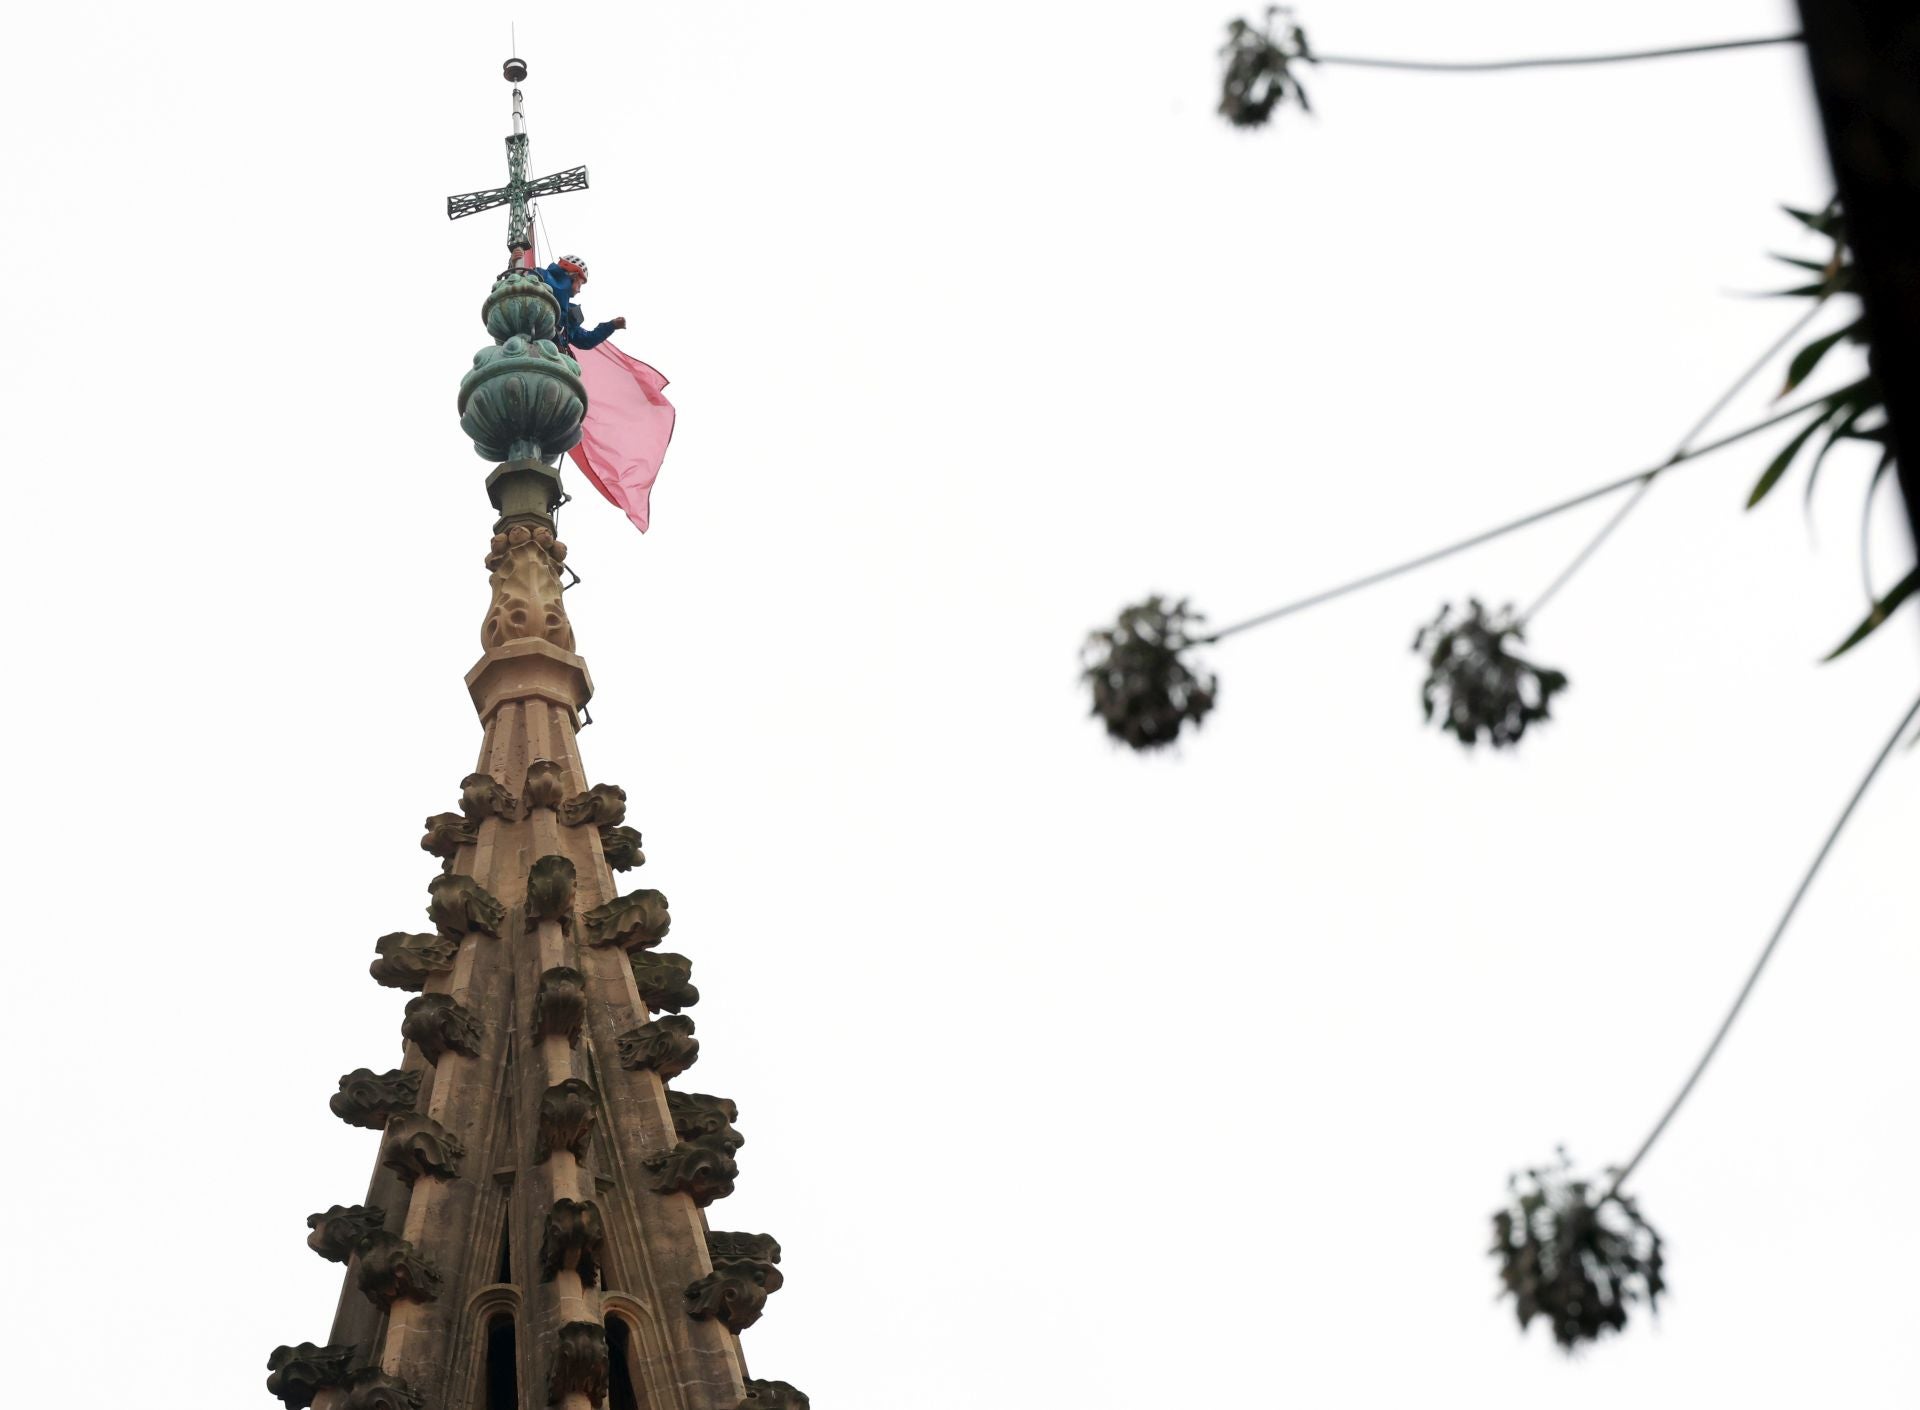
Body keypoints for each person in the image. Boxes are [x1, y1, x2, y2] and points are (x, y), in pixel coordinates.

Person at [537, 254, 626, 355]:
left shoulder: (569, 314)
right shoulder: (541, 276)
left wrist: (611, 325)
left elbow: (585, 340)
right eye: (580, 284)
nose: (579, 290)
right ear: (573, 276)